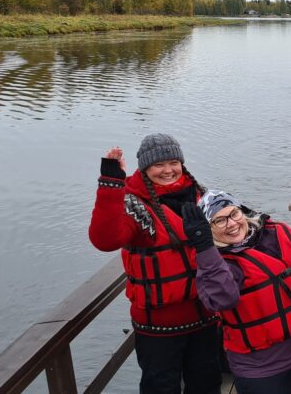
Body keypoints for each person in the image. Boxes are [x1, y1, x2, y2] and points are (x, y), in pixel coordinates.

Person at [88, 133, 221, 394]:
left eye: (173, 162)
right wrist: (111, 184)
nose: (168, 170)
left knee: (207, 384)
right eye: (158, 165)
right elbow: (104, 240)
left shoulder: (201, 196)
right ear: (145, 167)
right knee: (160, 387)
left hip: (205, 319)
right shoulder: (132, 204)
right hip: (158, 328)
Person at [181, 190, 291, 394]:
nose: (231, 224)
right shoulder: (215, 264)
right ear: (208, 229)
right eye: (219, 221)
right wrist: (204, 248)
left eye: (234, 214)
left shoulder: (277, 232)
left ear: (243, 211)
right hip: (261, 368)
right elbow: (222, 299)